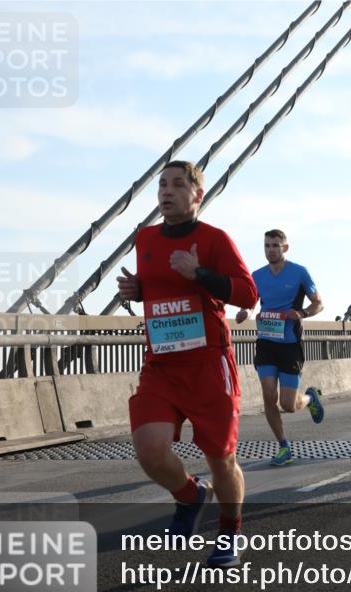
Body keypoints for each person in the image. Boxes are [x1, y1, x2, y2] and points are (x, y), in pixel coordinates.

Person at [118, 160, 258, 568]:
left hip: (208, 366)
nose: (167, 191)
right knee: (149, 450)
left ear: (197, 195)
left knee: (222, 459)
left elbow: (248, 295)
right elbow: (160, 287)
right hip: (161, 363)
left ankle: (229, 535)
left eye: (179, 185)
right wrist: (138, 290)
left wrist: (199, 273)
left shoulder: (214, 239)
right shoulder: (144, 239)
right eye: (162, 185)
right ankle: (191, 495)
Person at [235, 229, 324, 468]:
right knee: (268, 396)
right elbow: (252, 303)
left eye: (275, 245)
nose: (270, 250)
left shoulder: (299, 273)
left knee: (288, 404)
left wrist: (302, 313)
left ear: (285, 248)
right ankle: (284, 446)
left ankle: (309, 398)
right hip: (266, 342)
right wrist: (247, 312)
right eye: (267, 245)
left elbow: (319, 303)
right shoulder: (257, 275)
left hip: (290, 344)